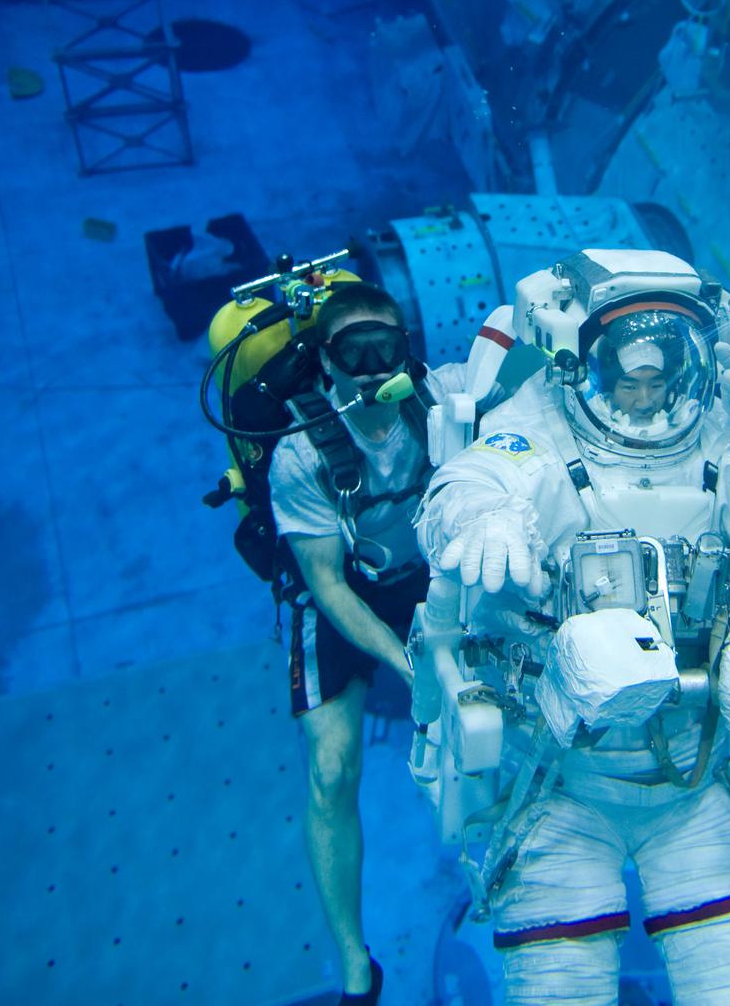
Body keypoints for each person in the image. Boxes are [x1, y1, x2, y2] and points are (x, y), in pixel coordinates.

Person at [415, 249, 730, 1005]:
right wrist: (482, 514)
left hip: (695, 781)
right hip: (559, 781)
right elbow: (473, 479)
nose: (641, 394)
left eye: (660, 375)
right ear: (580, 362)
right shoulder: (540, 426)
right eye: (624, 377)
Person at [269, 282, 480, 1004]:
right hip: (339, 587)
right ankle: (358, 964)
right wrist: (406, 659)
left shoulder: (442, 397)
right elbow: (326, 585)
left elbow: (519, 366)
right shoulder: (299, 453)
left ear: (407, 349)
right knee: (331, 768)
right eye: (349, 351)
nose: (368, 367)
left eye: (382, 347)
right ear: (325, 363)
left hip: (423, 570)